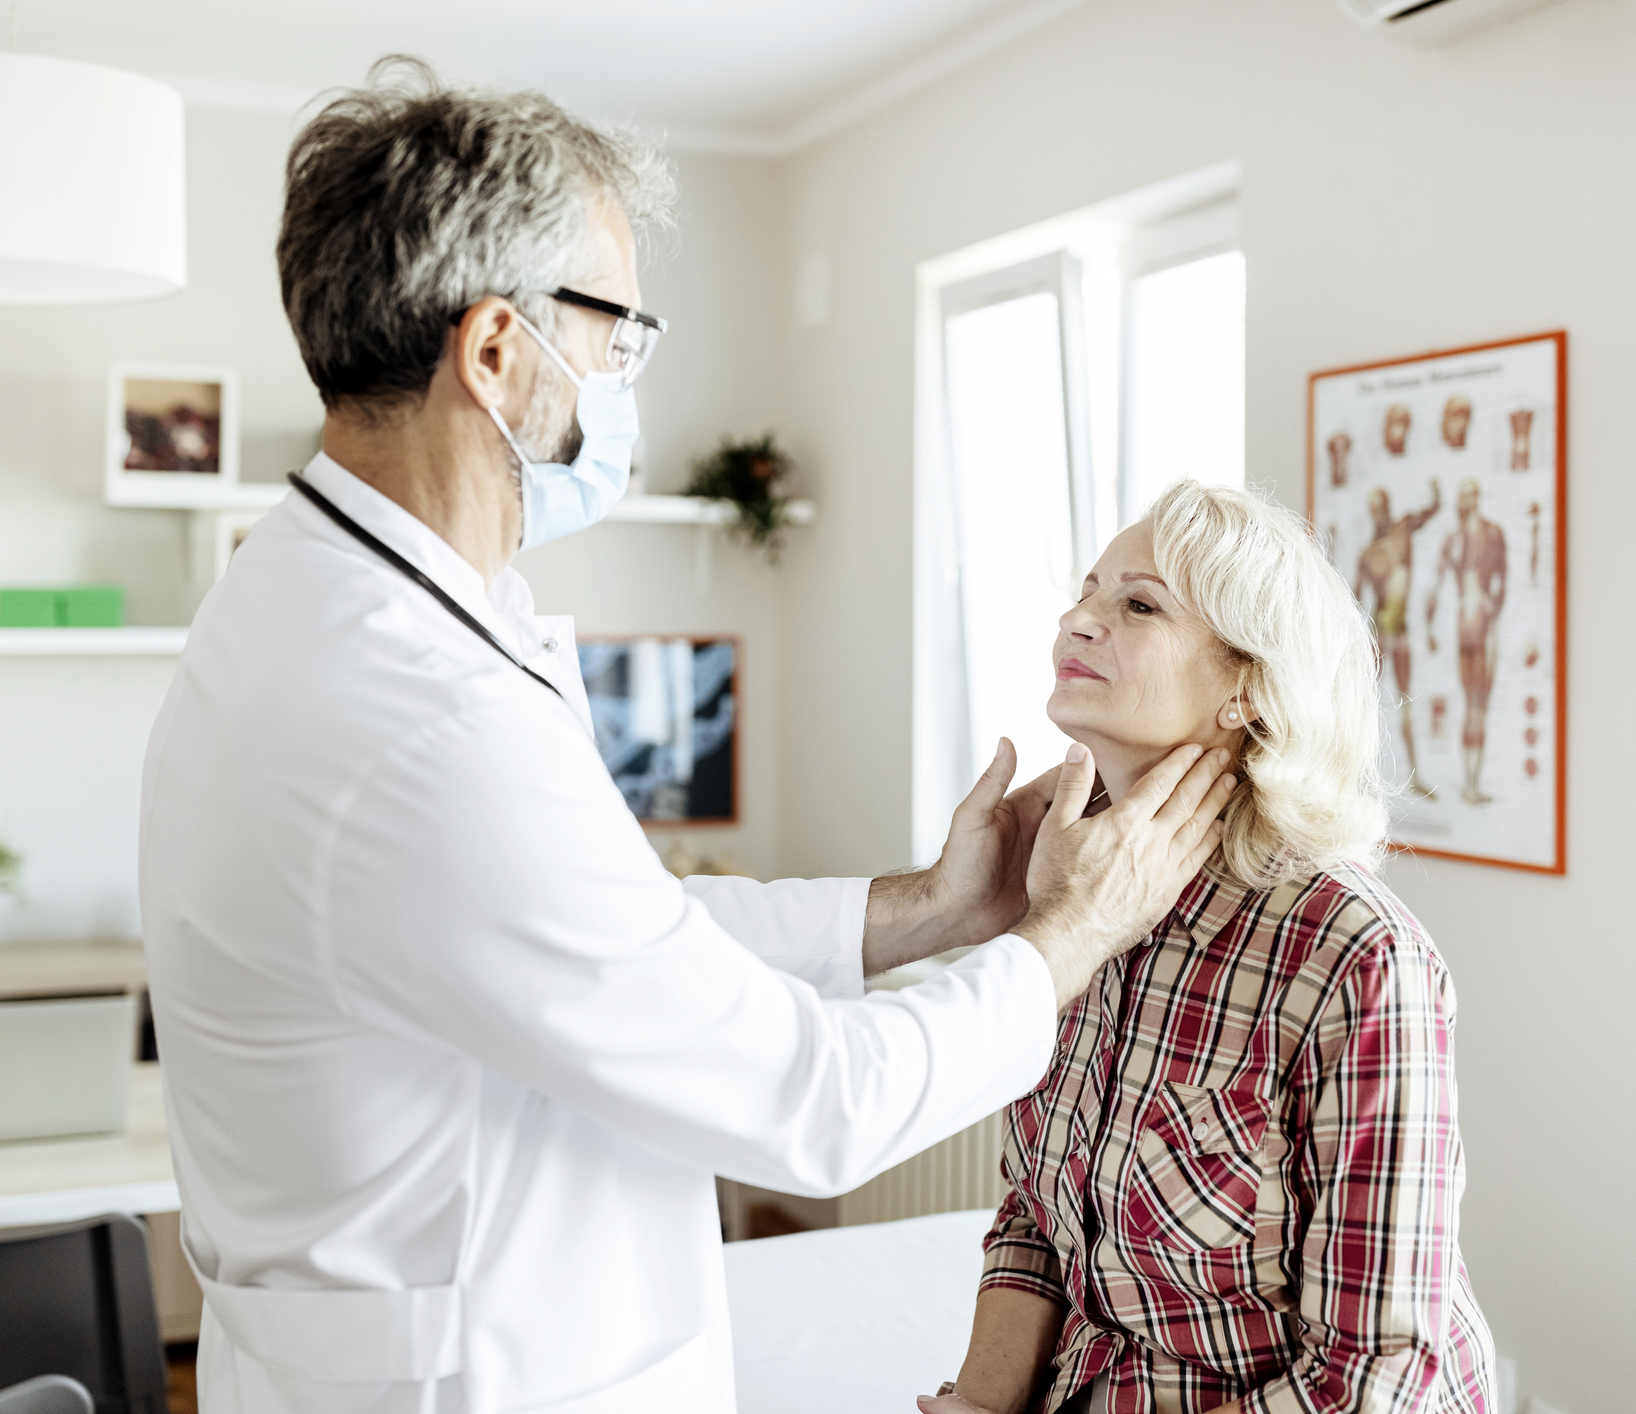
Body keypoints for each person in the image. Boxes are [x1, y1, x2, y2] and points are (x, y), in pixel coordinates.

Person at [139, 61, 1235, 1414]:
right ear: (493, 354)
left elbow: (611, 945)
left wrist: (929, 911)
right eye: (614, 335)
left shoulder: (336, 605)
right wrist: (1064, 940)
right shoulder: (416, 717)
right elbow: (811, 1106)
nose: (618, 380)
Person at [923, 481, 1495, 1414]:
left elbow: (1374, 1374)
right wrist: (977, 1408)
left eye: (1137, 603)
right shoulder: (1068, 895)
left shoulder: (1353, 955)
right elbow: (1036, 1213)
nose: (1076, 618)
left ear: (1245, 686)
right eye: (1087, 589)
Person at [1352, 481, 1441, 796]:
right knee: (1365, 704)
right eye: (1373, 508)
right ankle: (1359, 777)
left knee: (1407, 700)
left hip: (1399, 631)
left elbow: (1430, 512)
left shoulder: (1403, 531)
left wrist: (1436, 493)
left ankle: (1414, 775)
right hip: (1379, 632)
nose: (1379, 513)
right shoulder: (1367, 555)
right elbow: (1354, 601)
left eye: (1382, 506)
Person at [1426, 478, 1507, 805]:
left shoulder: (1490, 535)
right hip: (1472, 625)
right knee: (1475, 706)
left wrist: (1491, 607)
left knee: (1477, 706)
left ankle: (1471, 784)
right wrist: (1428, 624)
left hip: (1479, 621)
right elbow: (1435, 584)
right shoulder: (1455, 540)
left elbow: (1503, 581)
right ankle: (1470, 785)